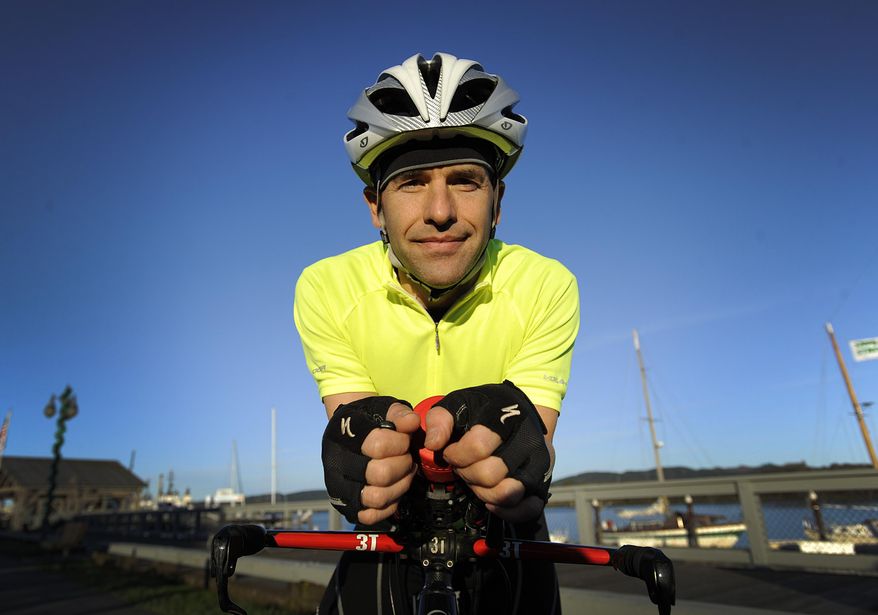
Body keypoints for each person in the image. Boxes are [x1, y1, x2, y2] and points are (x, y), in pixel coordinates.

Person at [294, 52, 580, 615]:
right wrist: (362, 454)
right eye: (411, 184)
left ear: (498, 203)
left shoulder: (547, 283)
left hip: (502, 534)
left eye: (466, 181)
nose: (441, 211)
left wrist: (519, 450)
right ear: (375, 207)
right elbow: (360, 433)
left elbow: (530, 453)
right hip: (394, 528)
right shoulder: (325, 287)